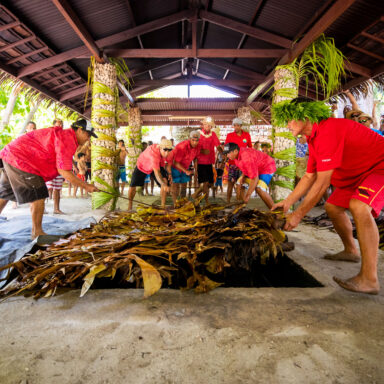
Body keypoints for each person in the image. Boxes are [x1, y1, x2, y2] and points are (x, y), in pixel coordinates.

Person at [271, 97, 384, 295]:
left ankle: (369, 279)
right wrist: (288, 202)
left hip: (379, 168)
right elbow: (309, 176)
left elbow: (322, 183)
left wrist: (298, 215)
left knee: (359, 206)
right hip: (357, 174)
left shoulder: (329, 130)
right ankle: (351, 251)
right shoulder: (314, 138)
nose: (287, 125)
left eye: (290, 119)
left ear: (305, 117)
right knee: (332, 207)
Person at [0, 119, 99, 238]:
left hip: (11, 154)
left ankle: (37, 231)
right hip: (22, 159)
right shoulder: (68, 139)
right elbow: (63, 171)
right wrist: (86, 186)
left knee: (5, 193)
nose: (88, 139)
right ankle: (37, 232)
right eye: (87, 135)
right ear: (79, 130)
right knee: (39, 195)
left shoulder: (65, 135)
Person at [223, 143, 276, 208]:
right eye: (226, 153)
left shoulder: (246, 157)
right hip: (256, 167)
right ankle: (239, 209)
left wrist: (248, 196)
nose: (227, 155)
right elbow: (245, 167)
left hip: (266, 167)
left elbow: (255, 178)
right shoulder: (235, 157)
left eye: (228, 153)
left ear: (235, 151)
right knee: (239, 183)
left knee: (259, 188)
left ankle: (276, 212)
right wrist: (243, 176)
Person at [127, 139, 172, 211]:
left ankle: (163, 206)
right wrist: (164, 185)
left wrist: (169, 174)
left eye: (169, 150)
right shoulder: (154, 155)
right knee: (132, 185)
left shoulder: (166, 153)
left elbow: (164, 167)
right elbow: (157, 173)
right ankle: (130, 206)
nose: (167, 153)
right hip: (142, 165)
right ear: (160, 148)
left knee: (165, 180)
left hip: (156, 165)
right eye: (165, 150)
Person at [166, 130, 200, 205]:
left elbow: (195, 158)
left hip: (185, 166)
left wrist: (196, 170)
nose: (194, 142)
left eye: (196, 140)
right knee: (175, 185)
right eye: (193, 140)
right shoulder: (182, 146)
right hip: (175, 167)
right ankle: (175, 204)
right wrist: (186, 171)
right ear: (189, 139)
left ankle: (182, 202)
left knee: (184, 184)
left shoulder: (198, 146)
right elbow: (175, 162)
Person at [224, 118, 252, 204]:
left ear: (241, 126)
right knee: (230, 184)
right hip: (232, 164)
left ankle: (240, 202)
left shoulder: (246, 135)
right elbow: (226, 148)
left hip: (243, 165)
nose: (236, 127)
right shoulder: (229, 135)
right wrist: (226, 158)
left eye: (238, 125)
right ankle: (227, 202)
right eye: (234, 125)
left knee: (241, 185)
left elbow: (250, 148)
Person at [195, 116, 221, 205]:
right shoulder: (198, 134)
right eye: (206, 125)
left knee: (210, 183)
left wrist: (223, 154)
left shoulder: (213, 134)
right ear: (203, 125)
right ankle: (206, 201)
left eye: (209, 125)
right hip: (200, 162)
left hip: (210, 162)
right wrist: (202, 151)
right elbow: (193, 147)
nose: (207, 127)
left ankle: (196, 194)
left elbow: (218, 146)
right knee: (205, 183)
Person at [46, 118, 65, 213]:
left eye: (61, 125)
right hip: (49, 166)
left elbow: (66, 153)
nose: (60, 126)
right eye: (58, 124)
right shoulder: (48, 135)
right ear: (53, 126)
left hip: (60, 166)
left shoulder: (64, 137)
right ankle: (43, 208)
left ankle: (56, 209)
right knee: (48, 187)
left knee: (57, 189)